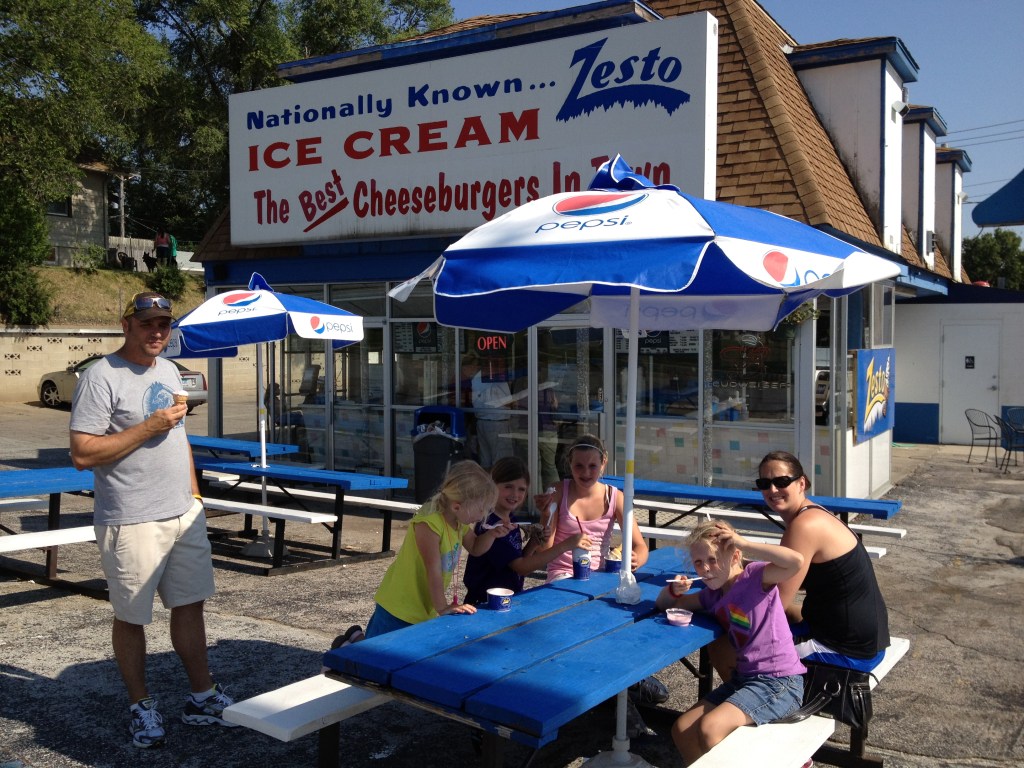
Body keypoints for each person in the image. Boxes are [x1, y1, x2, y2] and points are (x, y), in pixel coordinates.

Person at [69, 291, 236, 749]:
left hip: (183, 512)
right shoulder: (100, 377)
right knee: (132, 617)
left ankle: (202, 696)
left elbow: (180, 437)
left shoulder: (168, 370)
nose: (157, 332)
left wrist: (194, 495)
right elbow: (82, 453)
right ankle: (140, 705)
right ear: (126, 326)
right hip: (131, 518)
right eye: (147, 324)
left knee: (191, 604)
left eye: (164, 324)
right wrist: (148, 426)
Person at [656, 519, 806, 764]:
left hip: (779, 682)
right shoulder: (712, 595)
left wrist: (744, 543)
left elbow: (795, 561)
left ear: (735, 556)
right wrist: (674, 590)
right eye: (698, 562)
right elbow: (665, 605)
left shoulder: (755, 577)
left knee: (711, 727)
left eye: (713, 559)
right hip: (745, 679)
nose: (705, 569)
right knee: (682, 730)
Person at [334, 460, 509, 646]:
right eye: (481, 509)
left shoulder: (458, 522)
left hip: (423, 605)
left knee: (397, 652)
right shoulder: (429, 524)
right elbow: (433, 569)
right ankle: (344, 646)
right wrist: (443, 607)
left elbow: (475, 547)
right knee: (374, 653)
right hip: (400, 604)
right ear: (457, 506)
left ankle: (355, 636)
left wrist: (492, 534)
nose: (483, 516)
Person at [757, 450, 890, 668]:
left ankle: (747, 690)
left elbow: (775, 603)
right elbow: (790, 578)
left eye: (781, 482)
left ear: (801, 483)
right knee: (778, 616)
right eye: (764, 483)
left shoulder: (804, 526)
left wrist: (721, 599)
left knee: (739, 639)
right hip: (866, 640)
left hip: (845, 650)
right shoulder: (813, 513)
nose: (772, 489)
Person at [462, 456, 591, 606]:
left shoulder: (509, 519)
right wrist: (565, 545)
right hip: (483, 605)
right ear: (492, 486)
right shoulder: (491, 525)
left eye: (521, 489)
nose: (515, 494)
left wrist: (533, 543)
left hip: (503, 601)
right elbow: (522, 567)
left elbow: (516, 565)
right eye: (508, 486)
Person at [534, 434, 649, 580]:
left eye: (592, 466)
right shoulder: (558, 492)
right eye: (579, 466)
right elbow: (543, 550)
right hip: (562, 574)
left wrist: (636, 559)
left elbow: (640, 546)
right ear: (570, 463)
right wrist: (545, 516)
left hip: (600, 575)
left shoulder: (615, 497)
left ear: (603, 463)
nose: (586, 473)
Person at [470, 359, 511, 470]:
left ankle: (487, 480)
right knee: (501, 462)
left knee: (485, 460)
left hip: (482, 422)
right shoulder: (497, 379)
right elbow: (507, 402)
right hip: (497, 423)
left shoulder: (476, 379)